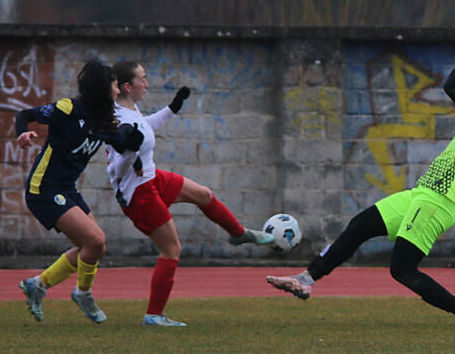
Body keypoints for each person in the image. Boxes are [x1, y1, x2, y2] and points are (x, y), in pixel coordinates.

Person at [267, 35, 455, 326]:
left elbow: (452, 86)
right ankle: (307, 278)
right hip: (424, 195)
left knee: (402, 269)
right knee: (361, 225)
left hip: (438, 200)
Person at [106, 60, 275, 327]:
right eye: (143, 79)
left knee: (204, 195)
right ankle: (154, 315)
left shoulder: (129, 110)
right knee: (172, 250)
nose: (147, 83)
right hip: (137, 192)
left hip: (152, 178)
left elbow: (144, 129)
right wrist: (132, 157)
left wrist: (172, 109)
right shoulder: (118, 119)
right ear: (128, 86)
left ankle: (238, 234)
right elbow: (117, 165)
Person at [16, 59, 143, 323]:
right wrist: (23, 133)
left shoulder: (104, 120)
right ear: (101, 87)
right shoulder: (68, 108)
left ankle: (38, 284)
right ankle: (83, 294)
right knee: (94, 241)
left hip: (66, 189)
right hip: (44, 188)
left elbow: (124, 145)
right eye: (114, 85)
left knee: (96, 247)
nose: (118, 90)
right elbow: (25, 115)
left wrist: (136, 147)